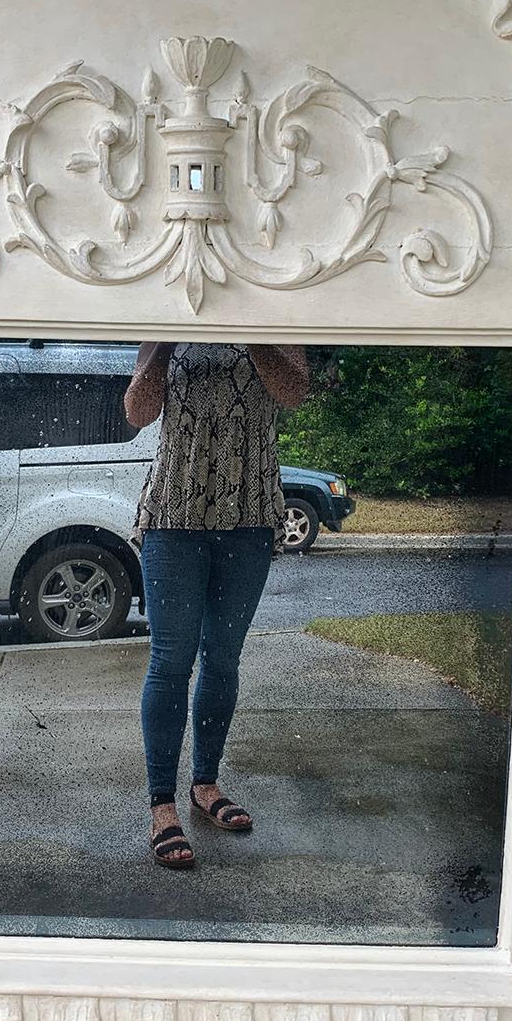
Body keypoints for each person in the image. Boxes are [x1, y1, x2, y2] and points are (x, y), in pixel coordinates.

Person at [124, 341, 309, 868]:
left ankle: (205, 784)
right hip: (174, 516)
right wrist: (164, 338)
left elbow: (293, 391)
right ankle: (162, 804)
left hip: (248, 515)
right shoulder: (166, 325)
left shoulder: (273, 320)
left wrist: (247, 331)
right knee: (170, 661)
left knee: (223, 658)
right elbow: (138, 412)